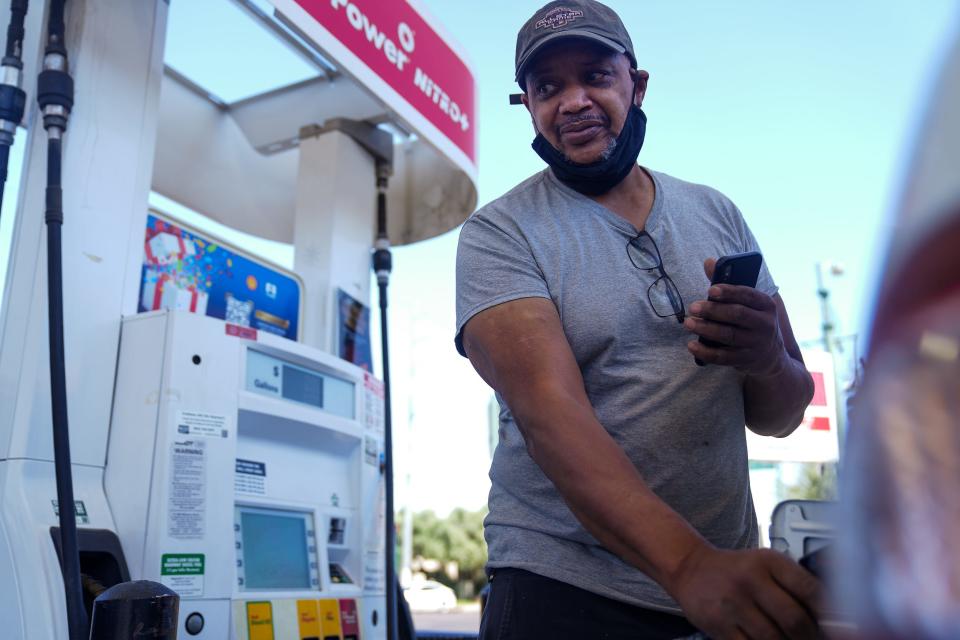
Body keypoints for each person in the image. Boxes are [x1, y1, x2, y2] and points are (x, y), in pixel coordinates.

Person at [454, 2, 821, 638]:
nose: (572, 102)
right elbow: (551, 418)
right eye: (547, 88)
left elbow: (781, 416)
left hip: (721, 586)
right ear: (528, 105)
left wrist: (766, 358)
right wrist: (687, 565)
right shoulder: (498, 234)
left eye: (595, 76)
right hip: (562, 587)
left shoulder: (716, 213)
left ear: (637, 84)